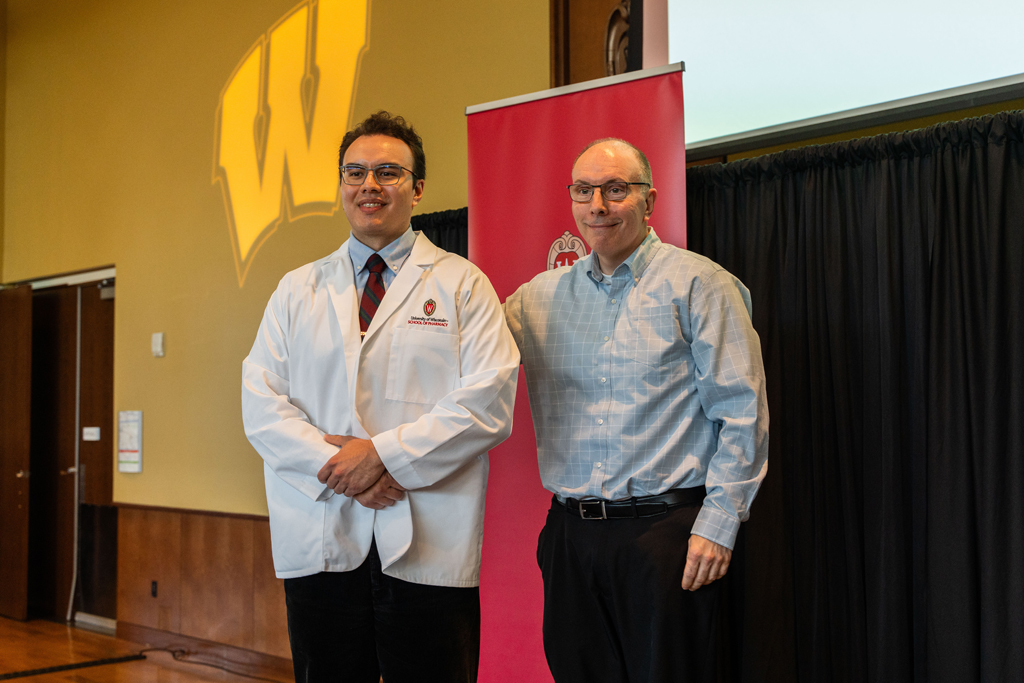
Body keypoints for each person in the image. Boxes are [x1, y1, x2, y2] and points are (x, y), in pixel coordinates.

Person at [241, 111, 519, 683]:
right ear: (342, 187)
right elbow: (261, 402)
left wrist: (383, 455)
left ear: (417, 190)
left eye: (388, 172)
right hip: (321, 533)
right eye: (355, 172)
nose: (369, 185)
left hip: (429, 537)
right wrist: (346, 467)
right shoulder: (297, 289)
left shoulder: (463, 284)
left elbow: (486, 403)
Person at [504, 138, 769, 683]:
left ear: (649, 201)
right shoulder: (536, 298)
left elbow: (742, 412)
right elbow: (466, 364)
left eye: (616, 190)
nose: (598, 205)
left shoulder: (700, 284)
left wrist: (719, 524)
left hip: (667, 538)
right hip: (570, 539)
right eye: (584, 190)